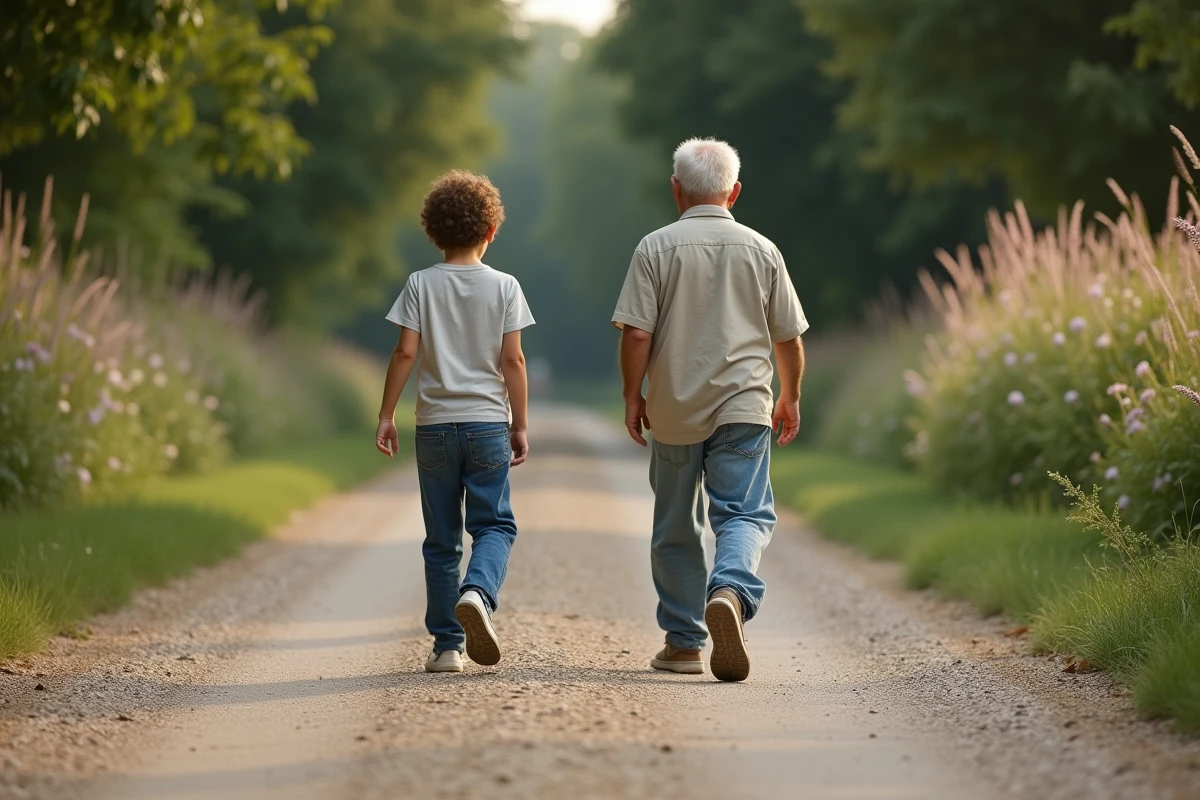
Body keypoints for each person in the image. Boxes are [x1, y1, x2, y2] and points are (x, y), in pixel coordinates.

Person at [611, 138, 807, 682]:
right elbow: (787, 338)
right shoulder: (762, 249)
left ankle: (682, 643)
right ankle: (731, 593)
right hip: (745, 404)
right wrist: (789, 396)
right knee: (743, 513)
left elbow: (635, 335)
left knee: (676, 523)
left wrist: (633, 396)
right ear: (735, 191)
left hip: (674, 407)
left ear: (676, 189)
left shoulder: (654, 248)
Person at [375, 170, 534, 674]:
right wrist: (520, 423)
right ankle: (479, 595)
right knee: (495, 526)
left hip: (435, 428)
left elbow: (405, 351)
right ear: (491, 232)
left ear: (434, 231)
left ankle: (447, 646)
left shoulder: (420, 284)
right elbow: (514, 362)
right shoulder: (505, 286)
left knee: (441, 538)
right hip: (488, 424)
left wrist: (385, 414)